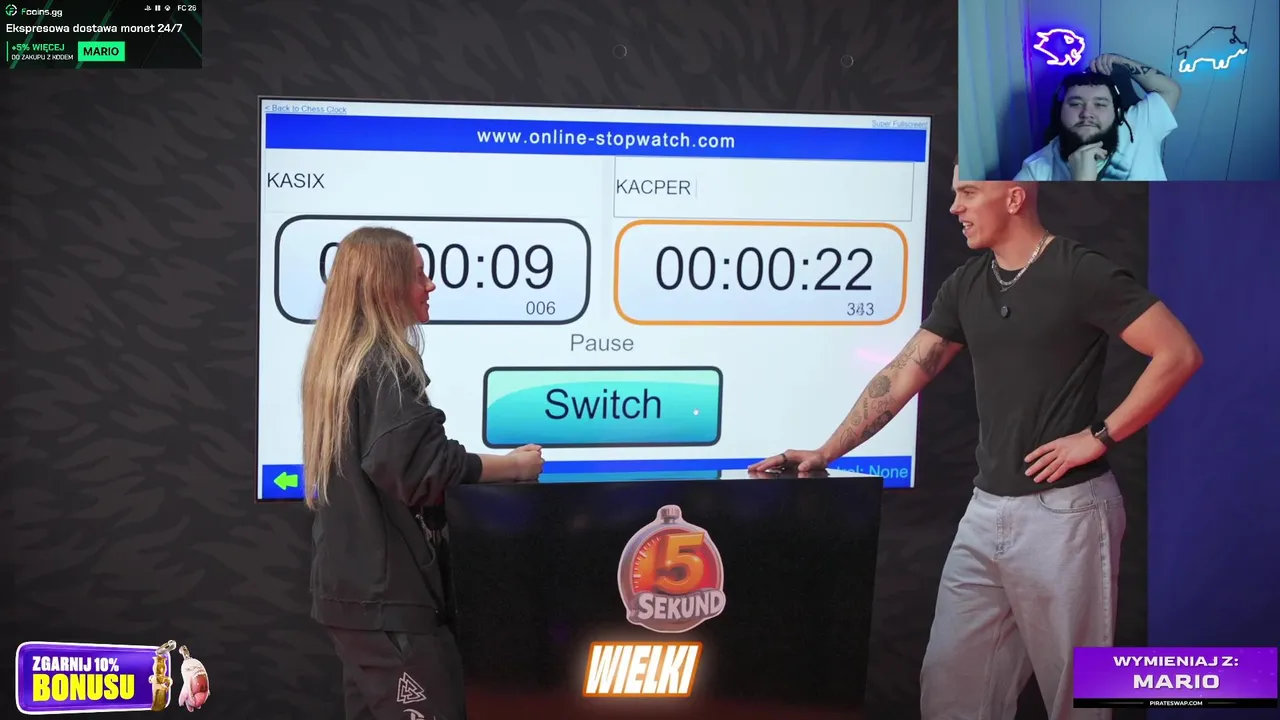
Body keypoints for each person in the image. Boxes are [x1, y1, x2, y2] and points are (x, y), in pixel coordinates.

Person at [750, 165, 1202, 719]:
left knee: (1076, 701)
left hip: (1067, 515)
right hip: (985, 513)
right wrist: (827, 451)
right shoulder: (967, 284)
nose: (955, 207)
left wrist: (1098, 436)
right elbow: (902, 373)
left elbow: (1178, 353)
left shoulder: (1079, 270)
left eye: (968, 193)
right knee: (951, 690)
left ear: (1014, 197)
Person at [300, 226, 544, 720]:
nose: (431, 284)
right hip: (387, 601)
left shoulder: (343, 363)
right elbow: (421, 468)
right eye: (418, 275)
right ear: (386, 285)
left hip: (359, 596)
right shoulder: (382, 366)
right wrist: (515, 466)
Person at [1015, 54, 1182, 181]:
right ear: (1059, 111)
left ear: (1117, 112)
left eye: (1100, 104)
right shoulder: (1036, 170)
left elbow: (1170, 90)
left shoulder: (1140, 124)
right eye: (1075, 104)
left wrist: (1121, 61)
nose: (1087, 113)